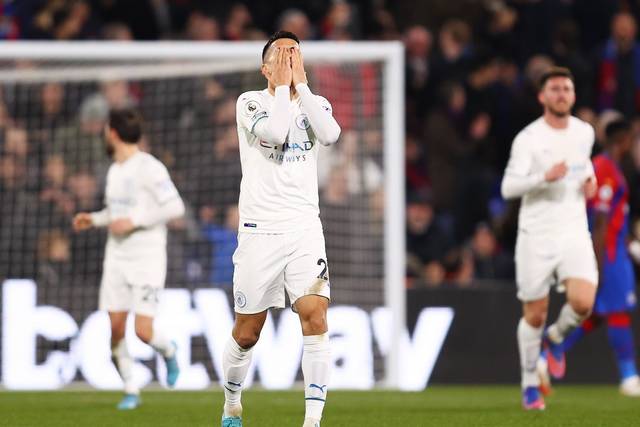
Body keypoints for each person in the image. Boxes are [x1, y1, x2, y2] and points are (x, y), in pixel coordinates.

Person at [221, 31, 340, 427]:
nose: (289, 59)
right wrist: (287, 89)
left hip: (304, 229)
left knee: (315, 316)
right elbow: (273, 133)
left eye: (296, 54)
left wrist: (301, 87)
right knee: (247, 333)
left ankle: (312, 421)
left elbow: (331, 135)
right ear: (265, 68)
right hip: (260, 230)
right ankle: (232, 403)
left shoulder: (316, 103)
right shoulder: (250, 102)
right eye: (281, 54)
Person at [72, 108, 185, 410]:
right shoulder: (114, 170)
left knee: (143, 331)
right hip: (116, 258)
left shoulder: (150, 167)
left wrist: (134, 221)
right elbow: (116, 214)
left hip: (147, 258)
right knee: (116, 328)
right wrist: (94, 219)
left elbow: (175, 207)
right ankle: (131, 388)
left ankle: (169, 351)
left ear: (113, 133)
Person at [501, 67, 598, 410]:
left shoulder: (584, 132)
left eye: (566, 89)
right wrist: (544, 177)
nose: (561, 94)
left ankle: (555, 340)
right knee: (535, 315)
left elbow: (584, 166)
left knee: (583, 303)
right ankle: (530, 383)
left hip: (574, 230)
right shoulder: (528, 139)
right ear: (542, 96)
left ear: (573, 95)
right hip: (537, 234)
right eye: (554, 89)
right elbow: (508, 187)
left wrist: (590, 182)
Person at [538, 119, 640, 396]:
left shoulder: (608, 167)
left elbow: (614, 218)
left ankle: (549, 350)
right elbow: (601, 221)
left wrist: (631, 244)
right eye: (632, 140)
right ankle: (629, 377)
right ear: (623, 140)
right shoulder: (604, 170)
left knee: (596, 313)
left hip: (614, 249)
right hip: (607, 253)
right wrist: (596, 264)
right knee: (617, 311)